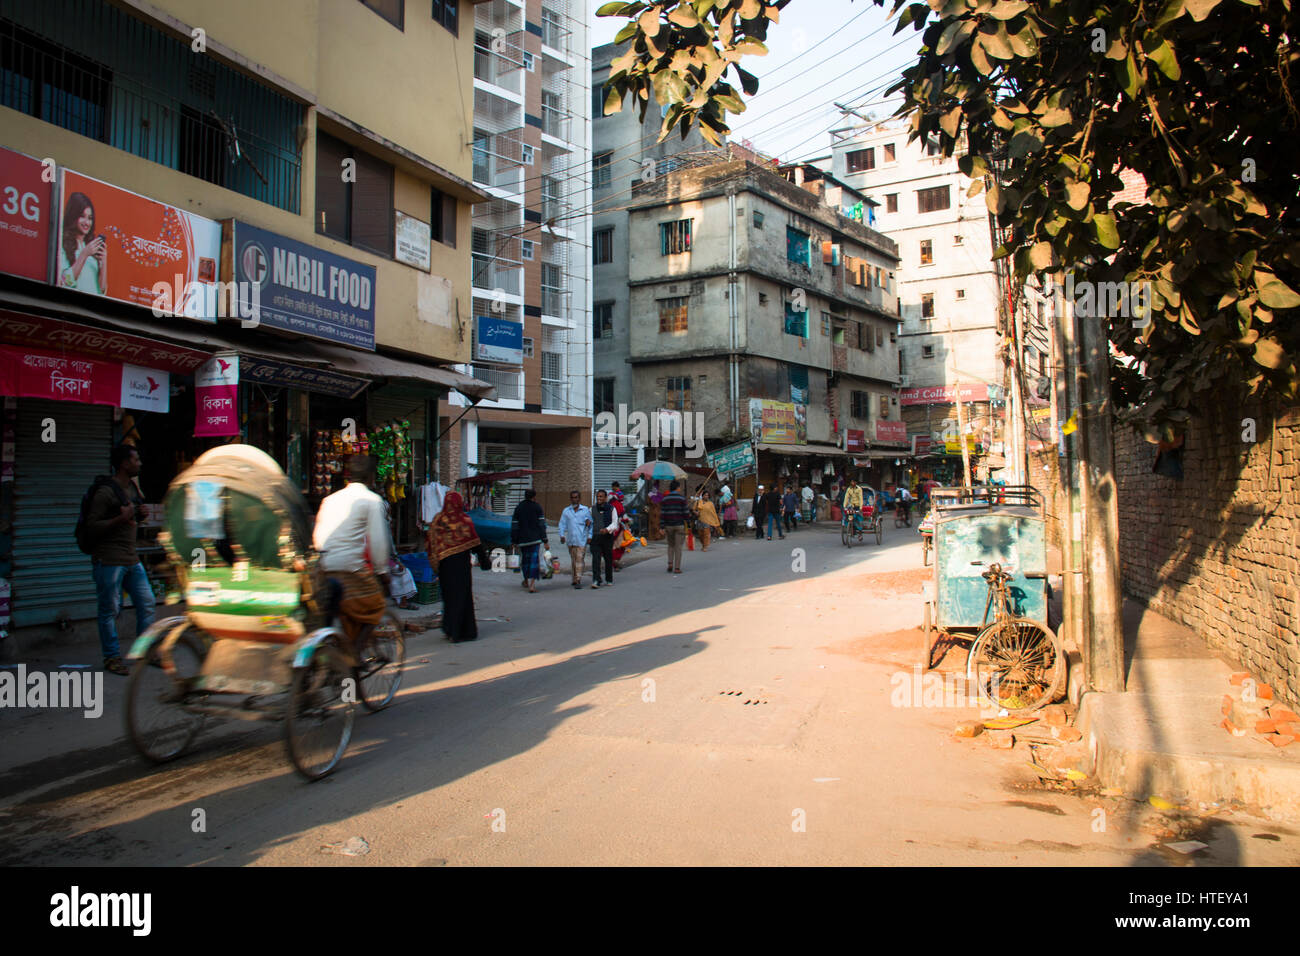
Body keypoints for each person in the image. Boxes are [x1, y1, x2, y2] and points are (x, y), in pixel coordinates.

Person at [315, 454, 392, 660]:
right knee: (376, 606)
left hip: (321, 568)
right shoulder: (372, 501)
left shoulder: (329, 499)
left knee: (344, 609)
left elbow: (318, 536)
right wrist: (383, 573)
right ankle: (354, 655)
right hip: (349, 569)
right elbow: (378, 542)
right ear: (371, 477)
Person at [86, 444, 154, 676]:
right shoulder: (105, 492)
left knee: (147, 602)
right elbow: (91, 527)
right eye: (136, 460)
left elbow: (133, 516)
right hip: (109, 560)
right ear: (125, 463)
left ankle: (144, 652)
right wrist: (119, 518)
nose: (140, 463)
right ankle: (111, 657)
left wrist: (140, 514)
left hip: (131, 558)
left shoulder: (133, 488)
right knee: (109, 609)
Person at [58, 192, 107, 295]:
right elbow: (65, 282)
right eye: (82, 216)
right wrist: (84, 255)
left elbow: (102, 291)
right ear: (73, 216)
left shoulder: (92, 247)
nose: (87, 222)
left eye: (90, 218)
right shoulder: (62, 244)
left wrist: (104, 262)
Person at [510, 488, 547, 594]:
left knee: (525, 562)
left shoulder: (518, 508)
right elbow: (541, 525)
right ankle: (532, 585)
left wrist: (514, 540)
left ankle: (526, 580)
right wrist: (545, 539)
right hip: (535, 539)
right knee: (534, 562)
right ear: (534, 496)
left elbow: (514, 526)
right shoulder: (537, 507)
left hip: (522, 540)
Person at [557, 490, 593, 589]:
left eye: (576, 497)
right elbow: (562, 524)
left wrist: (590, 536)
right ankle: (574, 578)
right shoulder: (566, 511)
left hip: (582, 540)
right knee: (573, 560)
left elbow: (591, 524)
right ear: (570, 499)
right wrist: (562, 535)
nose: (574, 499)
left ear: (579, 498)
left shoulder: (585, 510)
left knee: (579, 559)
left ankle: (578, 579)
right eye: (572, 497)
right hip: (571, 540)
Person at [589, 489, 620, 588]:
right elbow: (589, 522)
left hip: (607, 537)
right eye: (598, 496)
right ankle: (596, 580)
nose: (599, 498)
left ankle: (609, 579)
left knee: (608, 558)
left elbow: (615, 523)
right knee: (596, 559)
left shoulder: (611, 509)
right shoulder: (592, 509)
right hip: (595, 537)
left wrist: (607, 529)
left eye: (601, 496)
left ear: (605, 498)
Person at [660, 480, 688, 573]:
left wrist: (662, 526)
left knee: (670, 545)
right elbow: (686, 513)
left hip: (668, 526)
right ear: (677, 488)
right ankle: (677, 568)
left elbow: (662, 513)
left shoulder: (665, 499)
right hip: (679, 525)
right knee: (678, 547)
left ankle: (670, 563)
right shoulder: (682, 499)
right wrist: (688, 523)